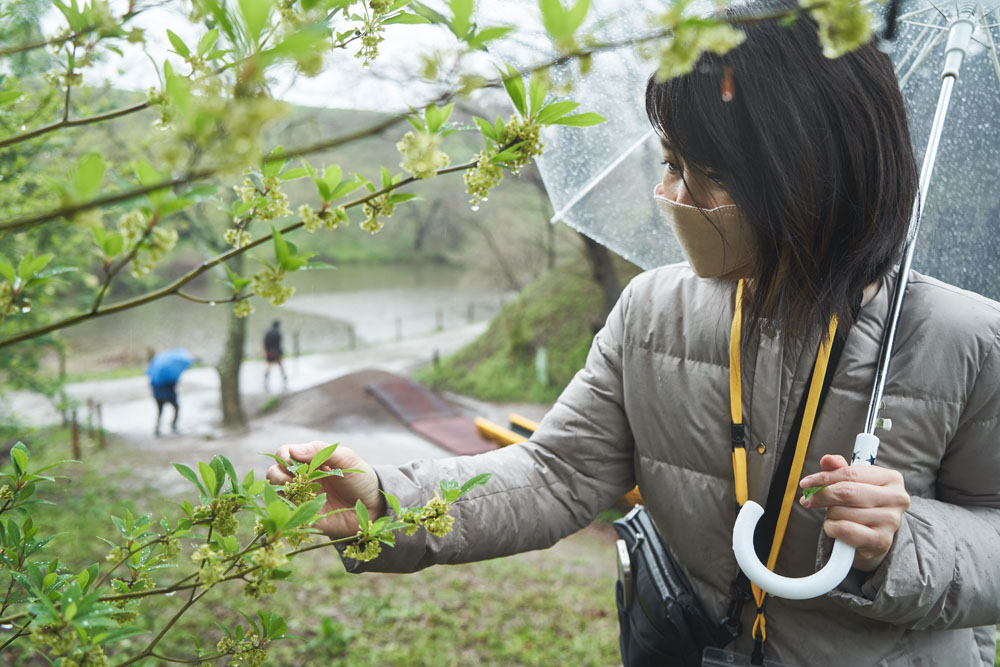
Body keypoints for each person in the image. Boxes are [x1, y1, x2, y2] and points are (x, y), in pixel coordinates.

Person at [267, 5, 1000, 665]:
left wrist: (905, 541)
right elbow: (555, 473)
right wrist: (385, 504)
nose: (675, 196)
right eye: (671, 163)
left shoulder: (965, 341)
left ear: (808, 174)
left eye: (708, 173)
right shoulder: (652, 313)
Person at [263, 319, 287, 391]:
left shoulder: (268, 332)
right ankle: (284, 378)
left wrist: (267, 351)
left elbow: (265, 343)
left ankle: (266, 380)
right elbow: (279, 344)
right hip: (277, 352)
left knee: (268, 366)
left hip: (269, 352)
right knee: (281, 366)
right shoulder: (278, 333)